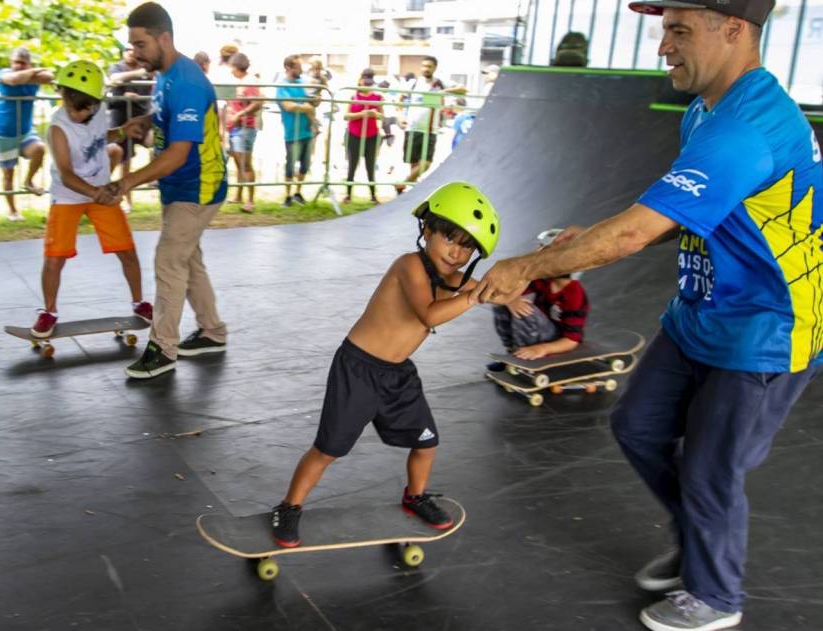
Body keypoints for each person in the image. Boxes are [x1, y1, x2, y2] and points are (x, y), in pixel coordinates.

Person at [471, 2, 821, 629]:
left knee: (712, 468)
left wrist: (528, 267)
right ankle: (700, 540)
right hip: (701, 310)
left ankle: (716, 596)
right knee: (639, 425)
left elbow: (633, 234)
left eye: (679, 31)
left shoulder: (746, 128)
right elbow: (683, 216)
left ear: (733, 30)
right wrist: (580, 243)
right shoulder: (704, 113)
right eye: (664, 31)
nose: (664, 47)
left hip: (764, 327)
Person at [270, 182, 500, 547]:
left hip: (398, 375)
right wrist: (476, 296)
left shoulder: (453, 278)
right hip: (358, 369)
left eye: (467, 246)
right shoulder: (408, 266)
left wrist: (510, 293)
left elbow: (489, 286)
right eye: (449, 238)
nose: (457, 253)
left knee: (426, 442)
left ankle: (415, 496)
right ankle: (288, 506)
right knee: (328, 450)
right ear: (426, 229)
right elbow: (429, 315)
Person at [104, 2, 229, 380]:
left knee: (168, 261)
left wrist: (126, 181)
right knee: (187, 261)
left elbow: (178, 154)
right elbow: (167, 117)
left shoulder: (187, 82)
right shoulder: (166, 75)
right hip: (179, 186)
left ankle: (163, 349)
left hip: (197, 187)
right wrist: (144, 121)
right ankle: (212, 331)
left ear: (164, 38)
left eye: (141, 45)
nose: (135, 53)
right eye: (132, 46)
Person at [31, 61, 153, 338]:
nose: (76, 113)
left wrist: (122, 131)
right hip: (68, 196)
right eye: (71, 106)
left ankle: (139, 303)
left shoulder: (98, 112)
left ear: (96, 103)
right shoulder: (58, 128)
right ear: (63, 96)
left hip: (100, 192)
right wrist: (96, 193)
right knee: (54, 258)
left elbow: (98, 138)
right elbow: (66, 174)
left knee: (127, 251)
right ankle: (49, 311)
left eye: (84, 108)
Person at [486, 229, 589, 371]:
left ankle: (521, 358)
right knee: (503, 304)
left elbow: (572, 340)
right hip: (539, 330)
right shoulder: (544, 280)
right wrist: (511, 301)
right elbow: (508, 292)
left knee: (527, 311)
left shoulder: (574, 295)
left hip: (557, 340)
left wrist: (542, 349)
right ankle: (514, 352)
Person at [0, 47, 52, 222]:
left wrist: (28, 75)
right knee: (8, 174)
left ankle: (28, 181)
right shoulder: (3, 73)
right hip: (3, 133)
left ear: (29, 63)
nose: (18, 66)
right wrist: (32, 73)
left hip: (25, 132)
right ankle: (13, 211)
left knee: (39, 149)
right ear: (11, 62)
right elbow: (13, 79)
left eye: (23, 63)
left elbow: (49, 76)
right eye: (16, 62)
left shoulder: (31, 76)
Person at [398, 56, 465, 193]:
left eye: (429, 66)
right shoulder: (413, 83)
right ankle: (410, 192)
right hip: (412, 127)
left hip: (430, 130)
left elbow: (463, 89)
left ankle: (402, 184)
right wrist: (400, 117)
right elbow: (400, 99)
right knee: (414, 163)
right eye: (424, 66)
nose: (426, 69)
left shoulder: (440, 83)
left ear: (435, 68)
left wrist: (444, 92)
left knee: (426, 163)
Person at [107, 45, 154, 214]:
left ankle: (155, 179)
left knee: (157, 143)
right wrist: (138, 74)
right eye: (127, 49)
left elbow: (156, 77)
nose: (131, 52)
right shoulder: (117, 67)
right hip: (121, 120)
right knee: (124, 161)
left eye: (134, 49)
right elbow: (114, 78)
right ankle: (126, 200)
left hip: (142, 119)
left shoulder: (146, 67)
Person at [225, 52, 260, 213]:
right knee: (239, 163)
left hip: (245, 127)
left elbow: (257, 103)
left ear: (236, 66)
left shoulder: (249, 82)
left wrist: (240, 114)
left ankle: (250, 201)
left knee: (245, 164)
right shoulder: (240, 82)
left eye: (231, 66)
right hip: (236, 127)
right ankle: (239, 195)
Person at [277, 54, 315, 207]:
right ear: (288, 68)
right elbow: (288, 106)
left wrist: (311, 105)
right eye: (298, 66)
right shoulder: (282, 86)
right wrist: (306, 107)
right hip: (292, 132)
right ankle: (287, 196)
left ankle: (298, 193)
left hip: (307, 130)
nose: (301, 69)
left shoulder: (303, 83)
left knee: (305, 165)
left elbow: (312, 102)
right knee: (290, 165)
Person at [343, 69, 384, 204]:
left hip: (371, 135)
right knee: (352, 165)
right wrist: (362, 114)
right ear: (360, 81)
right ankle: (348, 195)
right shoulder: (353, 97)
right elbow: (346, 116)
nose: (367, 84)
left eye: (369, 82)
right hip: (354, 134)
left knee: (370, 166)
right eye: (365, 81)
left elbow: (382, 116)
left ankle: (373, 195)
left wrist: (374, 114)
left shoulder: (377, 97)